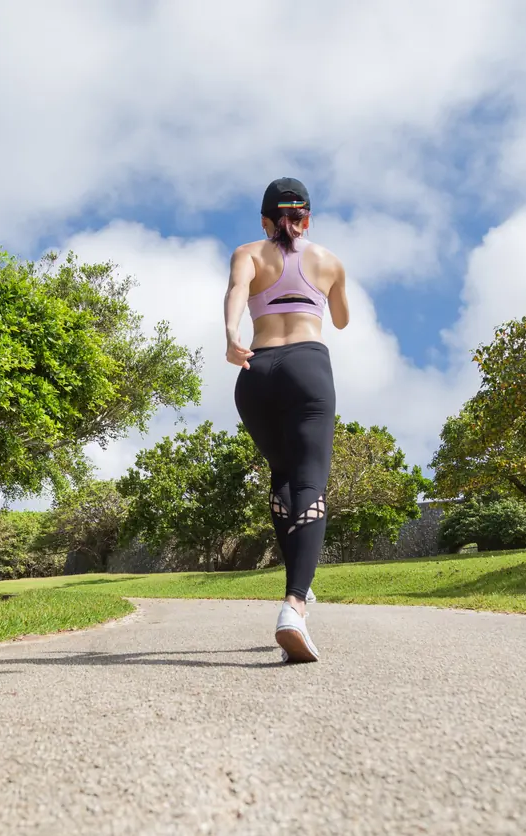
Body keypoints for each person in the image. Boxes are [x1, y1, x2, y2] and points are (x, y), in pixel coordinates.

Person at [223, 177, 349, 663]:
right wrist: (329, 287)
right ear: (307, 219)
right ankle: (295, 604)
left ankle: (299, 580)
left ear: (264, 219)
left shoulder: (248, 252)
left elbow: (237, 292)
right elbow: (340, 320)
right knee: (311, 481)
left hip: (255, 371)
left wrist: (232, 335)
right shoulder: (329, 260)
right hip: (306, 367)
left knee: (282, 477)